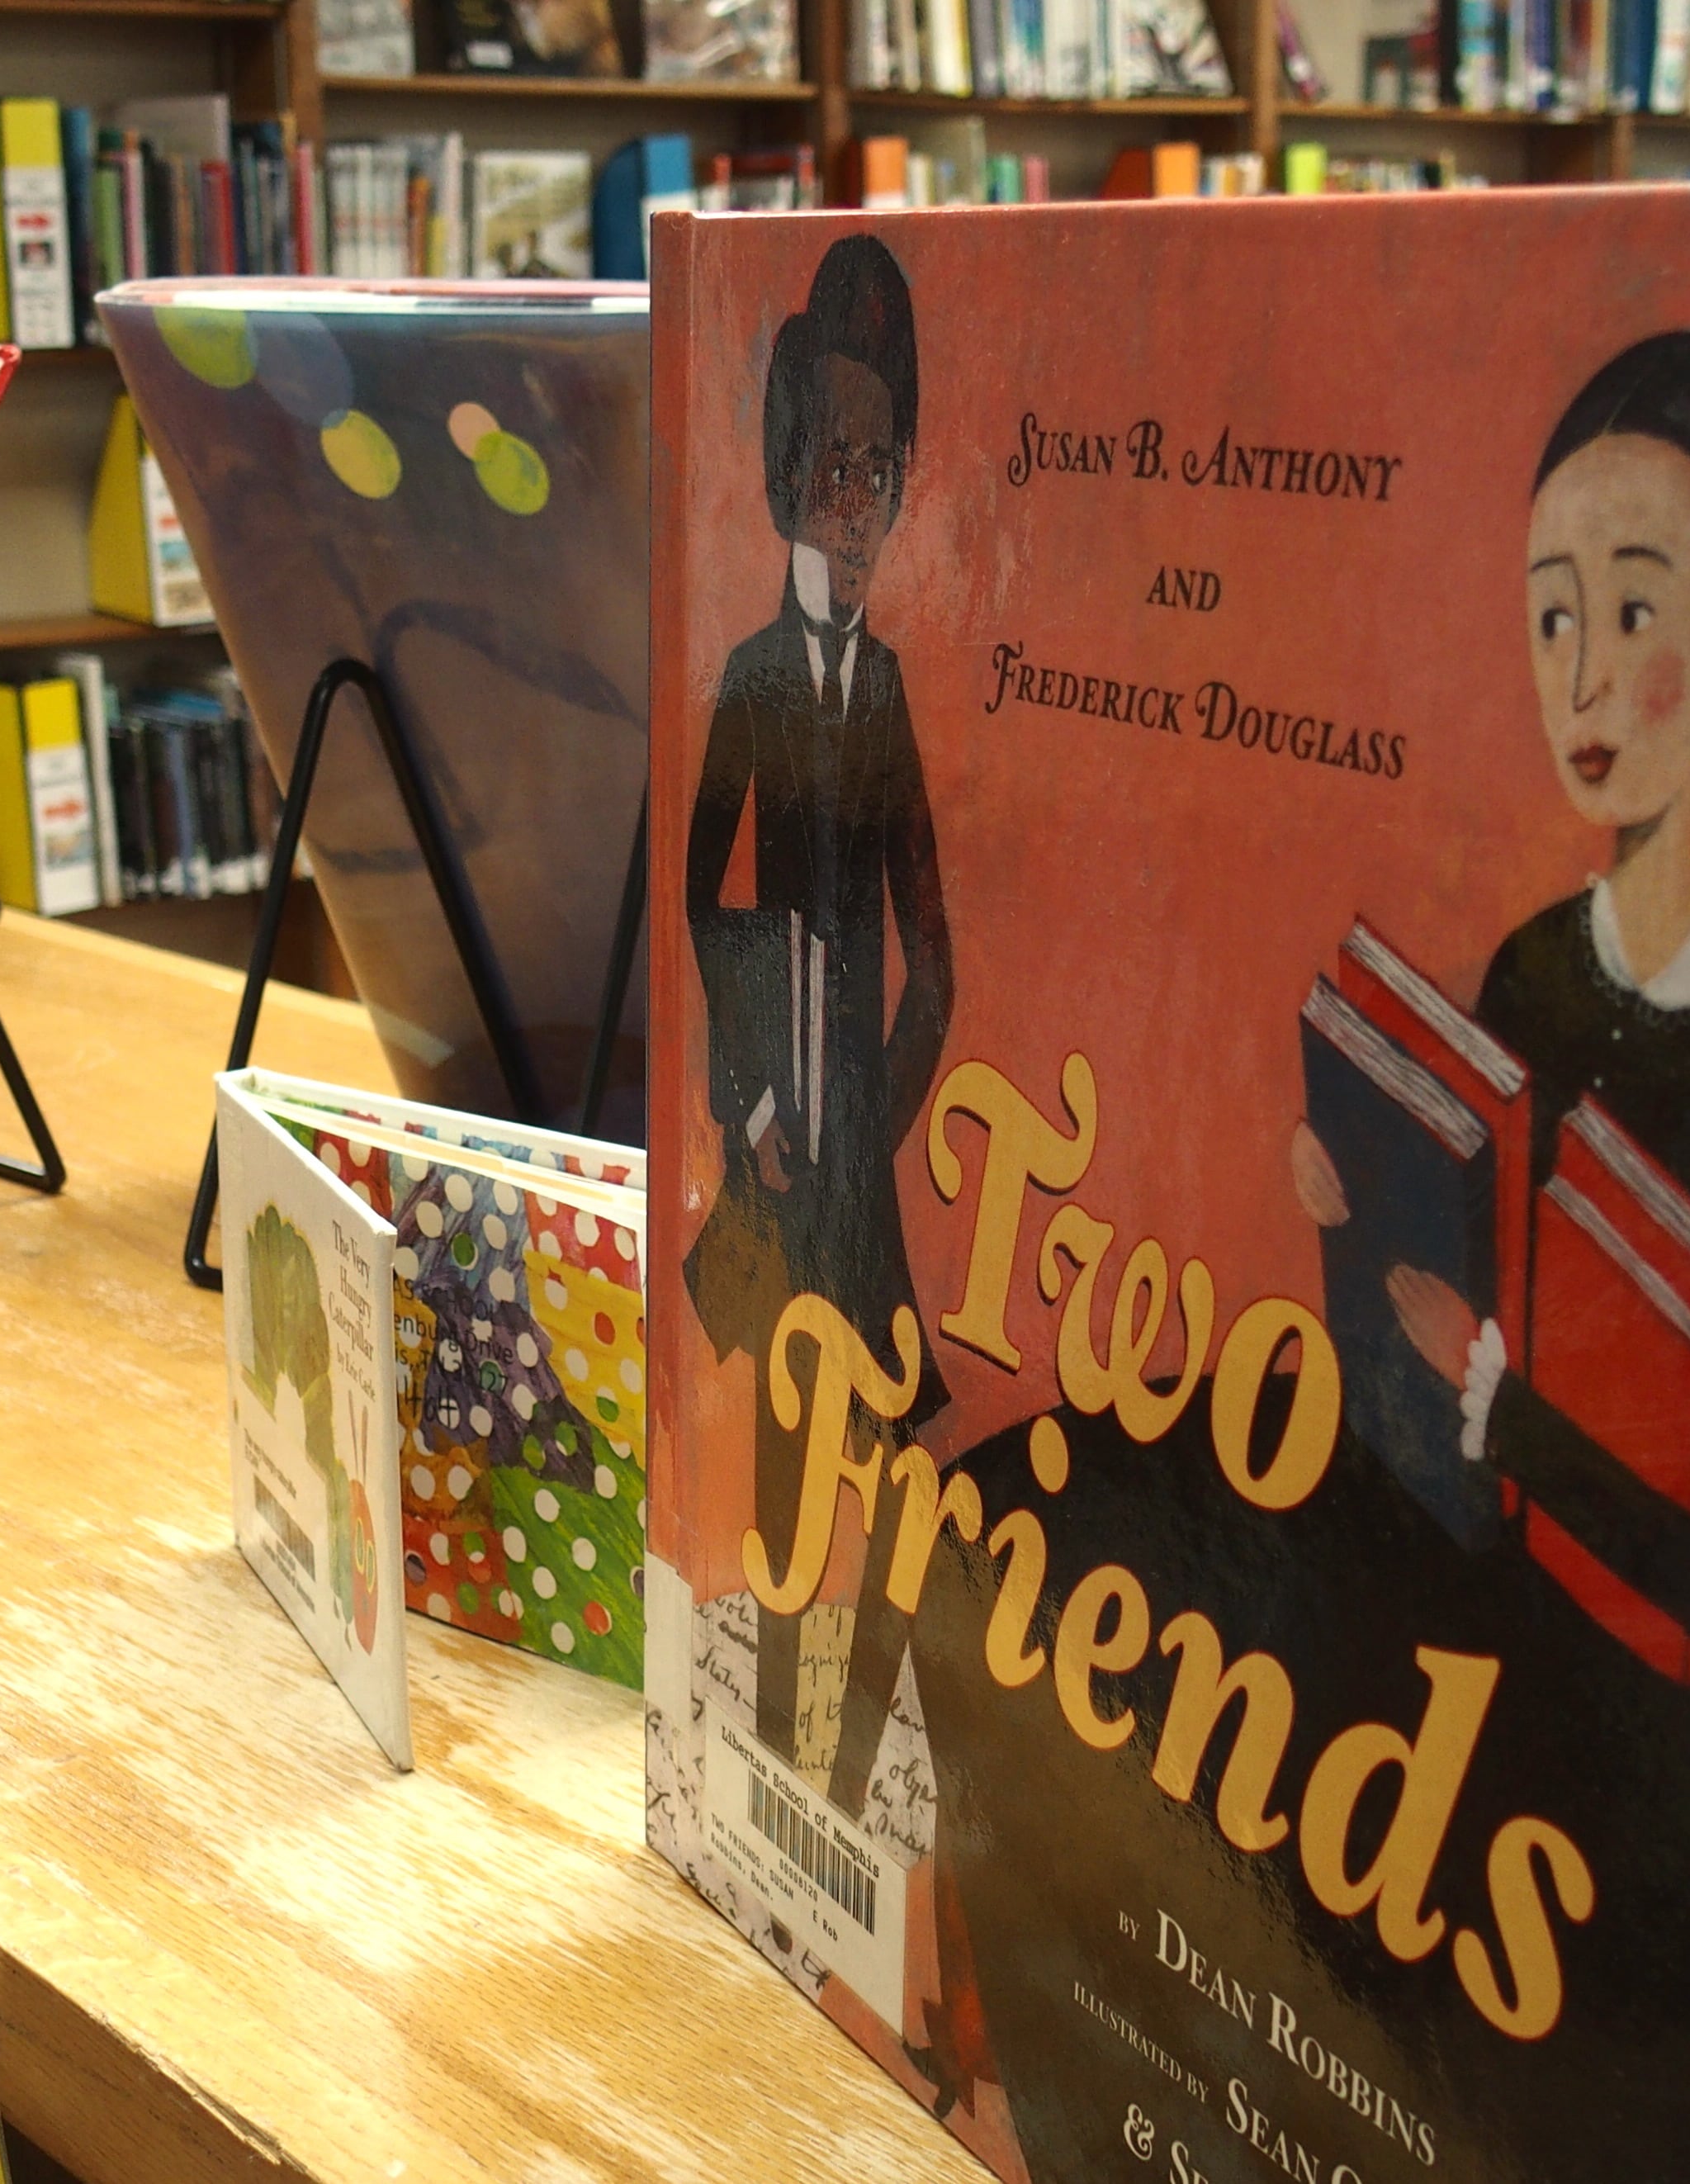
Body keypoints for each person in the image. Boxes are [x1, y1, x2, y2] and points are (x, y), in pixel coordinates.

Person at [1290, 329, 1690, 2181]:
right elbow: (1437, 1371)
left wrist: (1503, 1408)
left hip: (1619, 1775)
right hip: (1465, 1690)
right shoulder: (1525, 973)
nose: (1584, 674)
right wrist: (1355, 1234)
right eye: (1547, 618)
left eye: (1632, 604)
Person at [682, 235, 953, 1803]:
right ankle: (787, 1759)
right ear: (789, 475)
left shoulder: (900, 689)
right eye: (836, 462)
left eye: (883, 465)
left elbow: (941, 961)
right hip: (779, 1149)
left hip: (863, 1159)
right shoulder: (746, 675)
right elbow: (700, 900)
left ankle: (845, 1765)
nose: (860, 495)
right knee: (791, 1446)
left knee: (906, 1461)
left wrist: (873, 1115)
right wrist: (762, 1106)